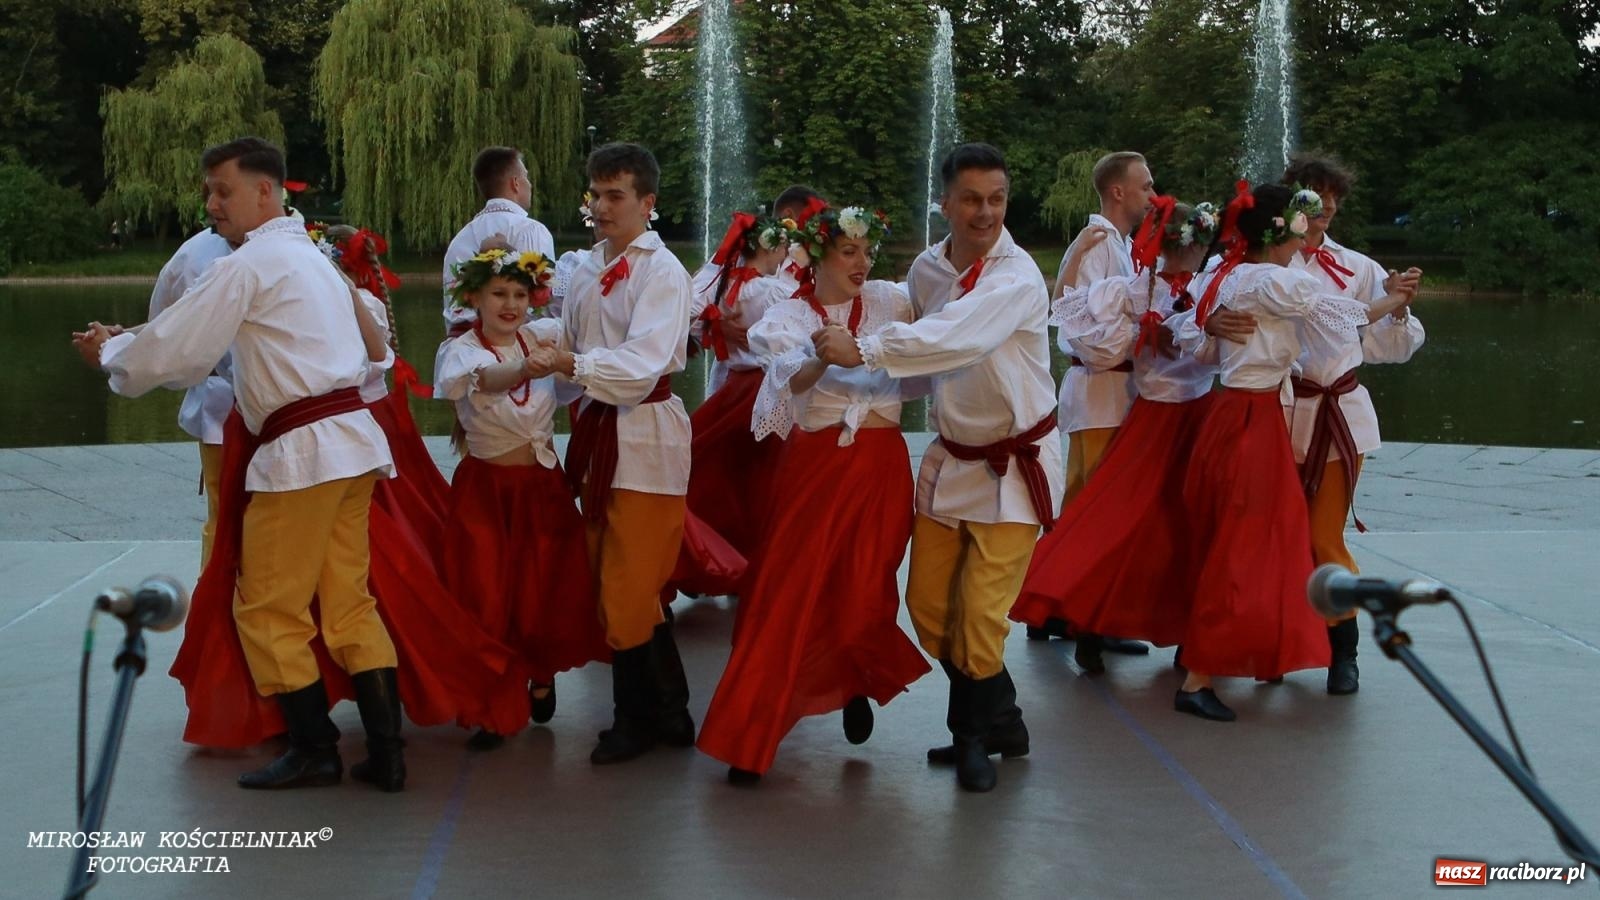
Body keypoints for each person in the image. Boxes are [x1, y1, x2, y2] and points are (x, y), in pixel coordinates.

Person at [73, 137, 405, 790]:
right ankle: (388, 754)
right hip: (355, 446)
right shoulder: (312, 259)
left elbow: (181, 348)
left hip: (303, 455)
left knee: (267, 609)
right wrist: (130, 343)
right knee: (348, 604)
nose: (212, 204)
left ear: (265, 191)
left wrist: (110, 356)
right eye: (209, 191)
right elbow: (375, 349)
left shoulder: (251, 264)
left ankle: (315, 748)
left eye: (223, 190)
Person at [815, 143, 1059, 793]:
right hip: (953, 457)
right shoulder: (927, 269)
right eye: (971, 199)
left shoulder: (1016, 276)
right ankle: (1003, 718)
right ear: (945, 202)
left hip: (1015, 462)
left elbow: (957, 336)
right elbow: (913, 334)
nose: (986, 213)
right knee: (927, 608)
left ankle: (971, 737)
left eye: (997, 199)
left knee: (979, 617)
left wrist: (865, 348)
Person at [697, 202, 930, 785]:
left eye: (867, 251)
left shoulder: (890, 301)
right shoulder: (787, 315)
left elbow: (937, 334)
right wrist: (820, 357)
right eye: (849, 252)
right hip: (817, 466)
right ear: (818, 256)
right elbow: (788, 380)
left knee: (866, 586)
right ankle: (750, 734)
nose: (861, 262)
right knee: (786, 592)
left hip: (882, 467)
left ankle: (852, 678)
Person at [1170, 182, 1413, 722]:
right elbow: (1345, 316)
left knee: (1240, 540)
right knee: (1241, 545)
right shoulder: (1274, 281)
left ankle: (1224, 654)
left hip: (1232, 412)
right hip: (1253, 419)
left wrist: (1208, 323)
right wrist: (1394, 300)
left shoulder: (1228, 273)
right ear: (1282, 232)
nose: (1307, 238)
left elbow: (1192, 338)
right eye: (1301, 228)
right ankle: (1198, 676)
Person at [521, 143, 697, 765]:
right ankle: (671, 711)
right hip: (602, 436)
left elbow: (643, 365)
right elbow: (571, 344)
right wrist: (522, 338)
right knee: (617, 582)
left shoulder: (662, 272)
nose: (600, 207)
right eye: (595, 194)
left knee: (628, 586)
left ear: (648, 203)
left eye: (615, 195)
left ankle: (634, 720)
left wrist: (571, 362)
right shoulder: (590, 267)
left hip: (645, 440)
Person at [1012, 198, 1222, 664]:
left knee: (1143, 524)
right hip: (1168, 419)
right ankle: (1110, 625)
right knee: (1161, 524)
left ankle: (1120, 627)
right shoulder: (1148, 289)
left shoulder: (1165, 286)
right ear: (1194, 243)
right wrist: (1137, 334)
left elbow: (1068, 307)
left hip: (1177, 417)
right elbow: (1069, 314)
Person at [435, 244, 611, 749]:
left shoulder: (542, 336)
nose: (510, 304)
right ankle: (494, 701)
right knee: (487, 593)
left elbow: (591, 338)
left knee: (542, 588)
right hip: (488, 494)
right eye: (499, 294)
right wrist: (525, 370)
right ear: (475, 297)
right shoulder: (462, 351)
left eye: (519, 294)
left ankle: (540, 670)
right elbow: (487, 379)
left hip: (541, 490)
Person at [1280, 154, 1425, 695]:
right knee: (1279, 535)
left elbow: (1391, 348)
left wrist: (1399, 305)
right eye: (1315, 198)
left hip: (1340, 415)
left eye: (1333, 201)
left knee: (1324, 536)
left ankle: (1344, 652)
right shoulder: (1270, 261)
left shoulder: (1358, 266)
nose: (1326, 209)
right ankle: (1277, 643)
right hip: (1281, 412)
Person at [1030, 151, 1158, 664]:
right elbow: (1078, 328)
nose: (1153, 196)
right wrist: (1144, 332)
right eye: (1146, 187)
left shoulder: (1118, 245)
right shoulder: (1096, 245)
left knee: (1091, 507)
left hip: (1114, 393)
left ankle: (1059, 609)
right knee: (1093, 510)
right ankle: (1080, 616)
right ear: (1118, 191)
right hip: (1101, 391)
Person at [683, 213, 792, 568]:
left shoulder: (724, 283)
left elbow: (688, 311)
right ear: (769, 246)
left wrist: (713, 325)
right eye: (783, 248)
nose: (785, 256)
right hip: (761, 388)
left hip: (731, 385)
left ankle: (720, 548)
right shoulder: (772, 291)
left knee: (722, 471)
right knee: (760, 477)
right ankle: (755, 555)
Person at [440, 146, 557, 337]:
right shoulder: (532, 230)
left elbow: (453, 312)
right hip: (513, 346)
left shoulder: (460, 238)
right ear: (515, 183)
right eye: (526, 178)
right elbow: (540, 308)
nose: (530, 185)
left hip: (460, 347)